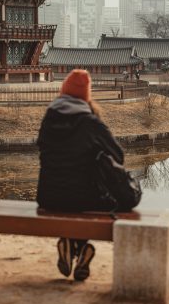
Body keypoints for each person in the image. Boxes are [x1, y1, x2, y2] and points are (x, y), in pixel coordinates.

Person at [36, 69, 133, 281]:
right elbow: (119, 155)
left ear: (62, 92)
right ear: (86, 96)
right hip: (84, 197)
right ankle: (80, 250)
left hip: (47, 196)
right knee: (91, 199)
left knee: (72, 199)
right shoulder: (90, 123)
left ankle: (71, 245)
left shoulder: (48, 118)